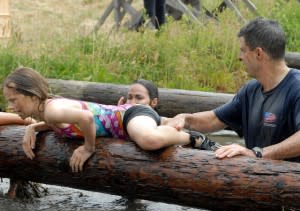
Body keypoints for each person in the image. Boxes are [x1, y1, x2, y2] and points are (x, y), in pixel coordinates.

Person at [2, 67, 220, 173]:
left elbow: (86, 117)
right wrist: (33, 128)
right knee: (146, 136)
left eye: (14, 100)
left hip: (129, 116)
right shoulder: (46, 112)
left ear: (32, 95)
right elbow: (63, 122)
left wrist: (88, 148)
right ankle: (167, 124)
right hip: (124, 120)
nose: (11, 106)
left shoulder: (52, 110)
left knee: (149, 141)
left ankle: (193, 138)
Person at [166, 17, 300, 162]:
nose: (239, 57)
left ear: (259, 53)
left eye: (243, 51)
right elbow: (214, 119)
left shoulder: (296, 87)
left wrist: (258, 154)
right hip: (257, 179)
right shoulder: (251, 90)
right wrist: (185, 119)